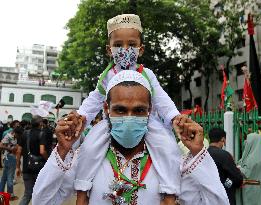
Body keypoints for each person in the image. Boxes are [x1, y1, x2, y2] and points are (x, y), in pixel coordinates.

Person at [32, 70, 229, 205]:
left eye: (138, 110)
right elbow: (42, 201)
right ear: (106, 109)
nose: (129, 118)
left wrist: (198, 154)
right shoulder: (85, 159)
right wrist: (62, 150)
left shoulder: (170, 164)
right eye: (120, 110)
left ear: (150, 111)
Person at [65, 14, 187, 202]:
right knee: (88, 149)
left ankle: (170, 191)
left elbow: (162, 99)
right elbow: (94, 100)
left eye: (131, 44)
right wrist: (81, 116)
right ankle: (82, 188)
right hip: (111, 125)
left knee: (169, 149)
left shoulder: (147, 74)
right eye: (118, 45)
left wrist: (174, 117)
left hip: (146, 124)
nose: (125, 49)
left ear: (141, 48)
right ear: (109, 50)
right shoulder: (106, 76)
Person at [16, 116, 48, 205]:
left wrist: (18, 167)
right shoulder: (42, 134)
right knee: (40, 194)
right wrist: (48, 159)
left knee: (27, 194)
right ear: (40, 124)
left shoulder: (25, 134)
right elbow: (42, 151)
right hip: (39, 168)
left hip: (26, 167)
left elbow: (18, 151)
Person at [207, 128, 243, 205]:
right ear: (223, 139)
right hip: (224, 198)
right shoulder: (224, 155)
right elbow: (237, 178)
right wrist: (226, 184)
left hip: (207, 197)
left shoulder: (203, 154)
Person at [236, 133, 261, 205]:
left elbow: (246, 173)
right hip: (256, 189)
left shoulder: (252, 158)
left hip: (251, 190)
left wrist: (236, 167)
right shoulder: (259, 156)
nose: (245, 142)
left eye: (248, 141)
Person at [0, 127, 23, 200]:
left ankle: (1, 194)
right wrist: (11, 149)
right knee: (10, 178)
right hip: (10, 157)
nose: (19, 136)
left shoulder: (12, 136)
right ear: (16, 133)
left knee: (4, 178)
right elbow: (1, 145)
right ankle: (10, 195)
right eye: (19, 135)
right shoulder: (9, 136)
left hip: (8, 158)